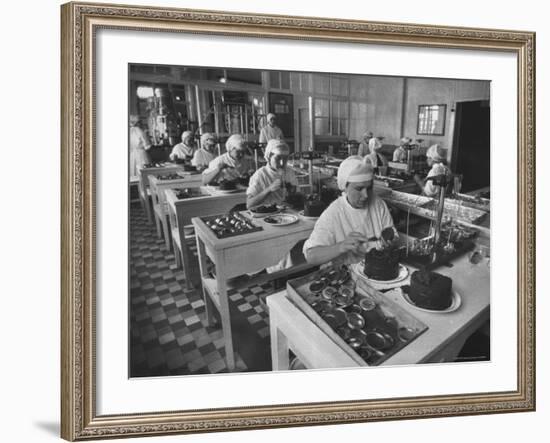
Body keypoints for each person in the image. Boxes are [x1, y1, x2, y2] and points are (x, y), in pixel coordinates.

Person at [303, 156, 398, 266]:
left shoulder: (378, 204)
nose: (366, 195)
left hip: (378, 268)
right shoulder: (334, 213)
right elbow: (311, 256)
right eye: (359, 189)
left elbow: (392, 236)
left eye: (369, 188)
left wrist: (390, 241)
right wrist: (341, 246)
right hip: (346, 274)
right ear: (345, 187)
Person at [246, 139, 299, 209]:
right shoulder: (260, 174)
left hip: (286, 213)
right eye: (278, 158)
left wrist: (291, 190)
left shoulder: (289, 171)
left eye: (285, 158)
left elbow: (296, 196)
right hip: (266, 213)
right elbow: (249, 204)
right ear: (269, 157)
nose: (282, 163)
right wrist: (269, 189)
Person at [129, 114, 151, 179]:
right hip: (141, 155)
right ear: (137, 122)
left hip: (131, 155)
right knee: (143, 174)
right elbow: (147, 146)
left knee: (133, 174)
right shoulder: (139, 130)